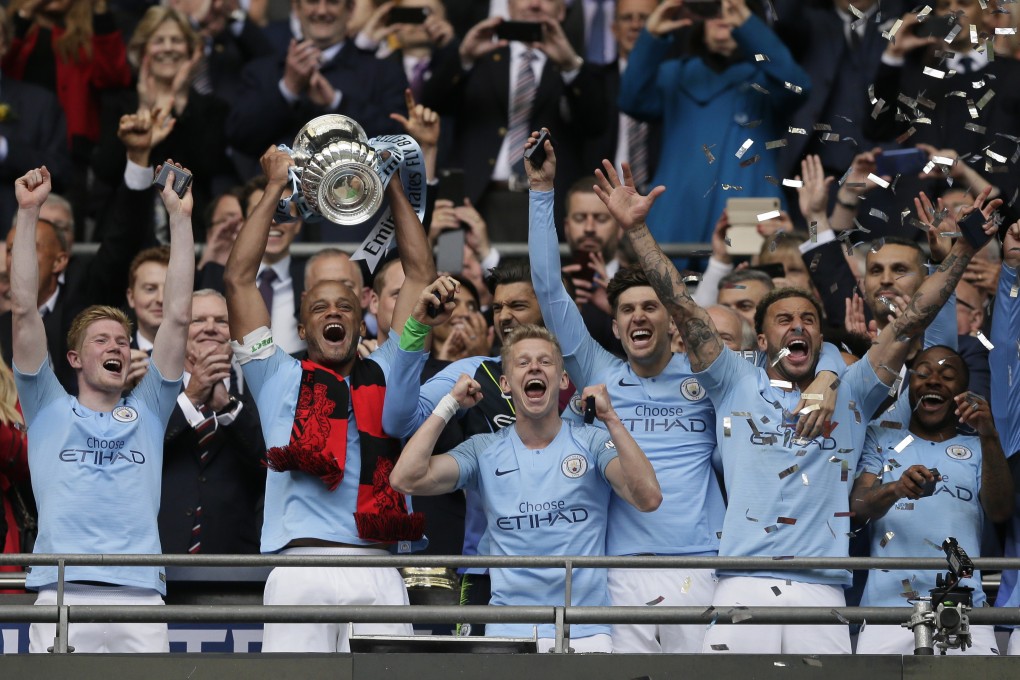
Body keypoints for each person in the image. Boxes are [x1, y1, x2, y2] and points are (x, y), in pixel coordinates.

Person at [590, 159, 999, 654]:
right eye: (784, 319)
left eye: (808, 318)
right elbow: (680, 303)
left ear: (820, 336)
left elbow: (914, 318)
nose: (798, 326)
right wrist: (636, 230)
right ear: (761, 339)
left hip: (822, 588)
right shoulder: (732, 381)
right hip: (741, 583)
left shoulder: (852, 388)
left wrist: (963, 252)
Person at [527, 134, 843, 653]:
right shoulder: (596, 371)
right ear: (616, 322)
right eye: (627, 309)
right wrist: (542, 190)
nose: (639, 317)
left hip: (703, 566)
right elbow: (547, 288)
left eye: (652, 306)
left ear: (672, 318)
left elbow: (800, 351)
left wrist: (828, 371)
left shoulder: (717, 375)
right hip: (621, 569)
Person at [222, 145, 436, 653]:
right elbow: (236, 279)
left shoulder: (390, 367)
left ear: (361, 320)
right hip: (301, 570)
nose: (332, 311)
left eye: (345, 304)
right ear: (301, 326)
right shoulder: (275, 374)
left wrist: (390, 189)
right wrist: (274, 188)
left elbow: (421, 275)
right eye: (319, 306)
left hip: (380, 569)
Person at [11, 161, 193, 654]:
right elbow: (25, 309)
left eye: (122, 339)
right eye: (101, 340)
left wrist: (179, 217)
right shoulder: (47, 404)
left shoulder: (150, 407)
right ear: (73, 357)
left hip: (140, 593)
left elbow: (178, 317)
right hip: (60, 590)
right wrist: (28, 213)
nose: (116, 346)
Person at [390, 322, 662, 652]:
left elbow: (648, 497)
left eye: (545, 361)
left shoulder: (591, 442)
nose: (534, 366)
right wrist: (449, 404)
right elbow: (405, 478)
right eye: (522, 362)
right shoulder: (483, 448)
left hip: (584, 628)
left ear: (563, 381)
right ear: (505, 384)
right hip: (508, 628)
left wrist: (612, 420)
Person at [851, 345, 1011, 655]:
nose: (934, 380)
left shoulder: (979, 446)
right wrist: (896, 489)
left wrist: (989, 435)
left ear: (962, 394)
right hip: (887, 611)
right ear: (910, 387)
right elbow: (858, 506)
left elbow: (1001, 510)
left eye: (947, 376)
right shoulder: (880, 437)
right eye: (922, 374)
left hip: (968, 610)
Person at [618, 0, 809, 248]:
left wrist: (748, 25)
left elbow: (798, 87)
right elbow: (631, 100)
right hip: (677, 216)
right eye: (714, 9)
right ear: (699, 21)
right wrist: (651, 35)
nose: (722, 16)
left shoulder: (767, 81)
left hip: (749, 215)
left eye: (731, 9)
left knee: (749, 283)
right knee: (668, 280)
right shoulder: (675, 75)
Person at [420, 0, 607, 242]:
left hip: (548, 205)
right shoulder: (479, 57)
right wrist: (463, 57)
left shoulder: (576, 67)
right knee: (454, 275)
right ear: (508, 7)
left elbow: (597, 125)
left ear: (562, 12)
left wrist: (570, 66)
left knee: (543, 278)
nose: (535, 4)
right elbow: (431, 105)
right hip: (468, 202)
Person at [226, 0, 408, 159]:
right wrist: (287, 89)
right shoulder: (261, 70)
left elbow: (399, 140)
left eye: (333, 2)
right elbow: (240, 138)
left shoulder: (384, 72)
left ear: (350, 9)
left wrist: (336, 102)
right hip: (280, 193)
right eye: (312, 1)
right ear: (296, 8)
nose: (321, 11)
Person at [159, 289, 266, 555]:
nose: (210, 328)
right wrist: (191, 397)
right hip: (157, 562)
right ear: (179, 330)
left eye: (221, 321)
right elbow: (136, 454)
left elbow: (271, 466)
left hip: (236, 564)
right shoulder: (149, 396)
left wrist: (227, 407)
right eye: (198, 320)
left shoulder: (261, 397)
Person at [0, 10, 72, 232]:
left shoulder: (39, 103)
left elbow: (59, 171)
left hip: (15, 238)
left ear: (4, 43)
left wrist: (4, 150)